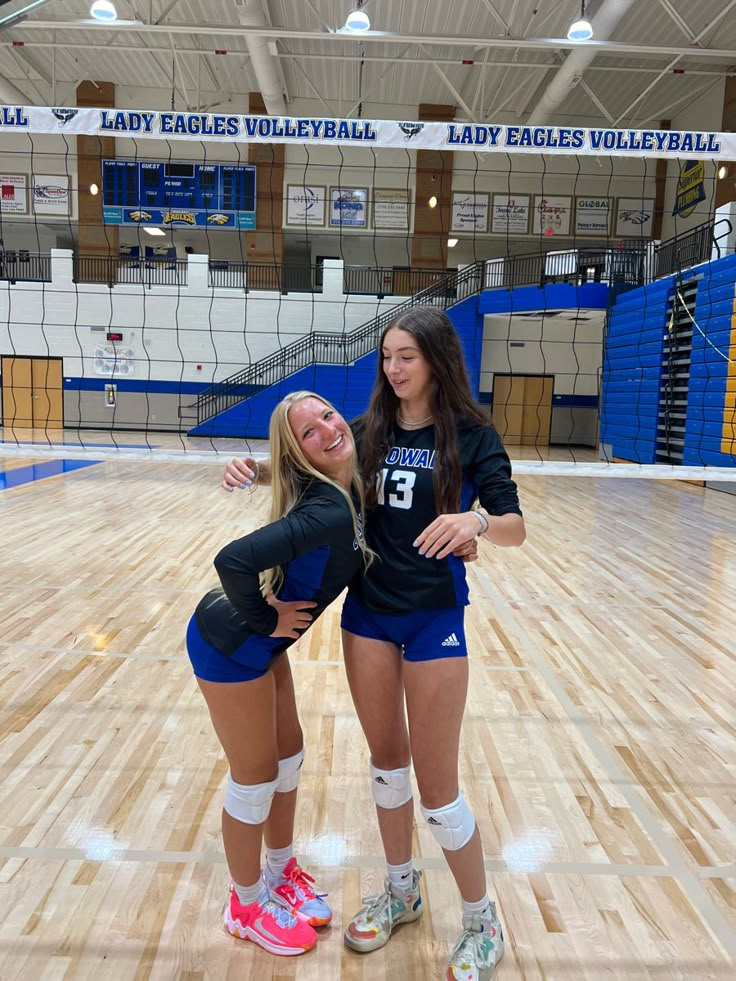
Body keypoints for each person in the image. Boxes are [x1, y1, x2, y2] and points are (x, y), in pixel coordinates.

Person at [223, 307, 525, 980]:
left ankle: (481, 917)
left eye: (406, 356)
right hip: (369, 618)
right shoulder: (369, 432)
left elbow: (514, 526)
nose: (393, 368)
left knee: (439, 791)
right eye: (387, 355)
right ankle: (401, 888)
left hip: (434, 618)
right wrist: (255, 467)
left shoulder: (472, 436)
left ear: (436, 360)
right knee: (387, 767)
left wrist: (474, 517)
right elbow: (313, 466)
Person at [189, 390, 373, 957]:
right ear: (300, 453)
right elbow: (232, 560)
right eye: (309, 433)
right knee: (254, 779)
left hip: (261, 650)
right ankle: (245, 905)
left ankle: (278, 872)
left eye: (326, 414)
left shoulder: (347, 470)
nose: (328, 429)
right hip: (231, 649)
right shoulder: (326, 508)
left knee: (288, 759)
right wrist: (264, 616)